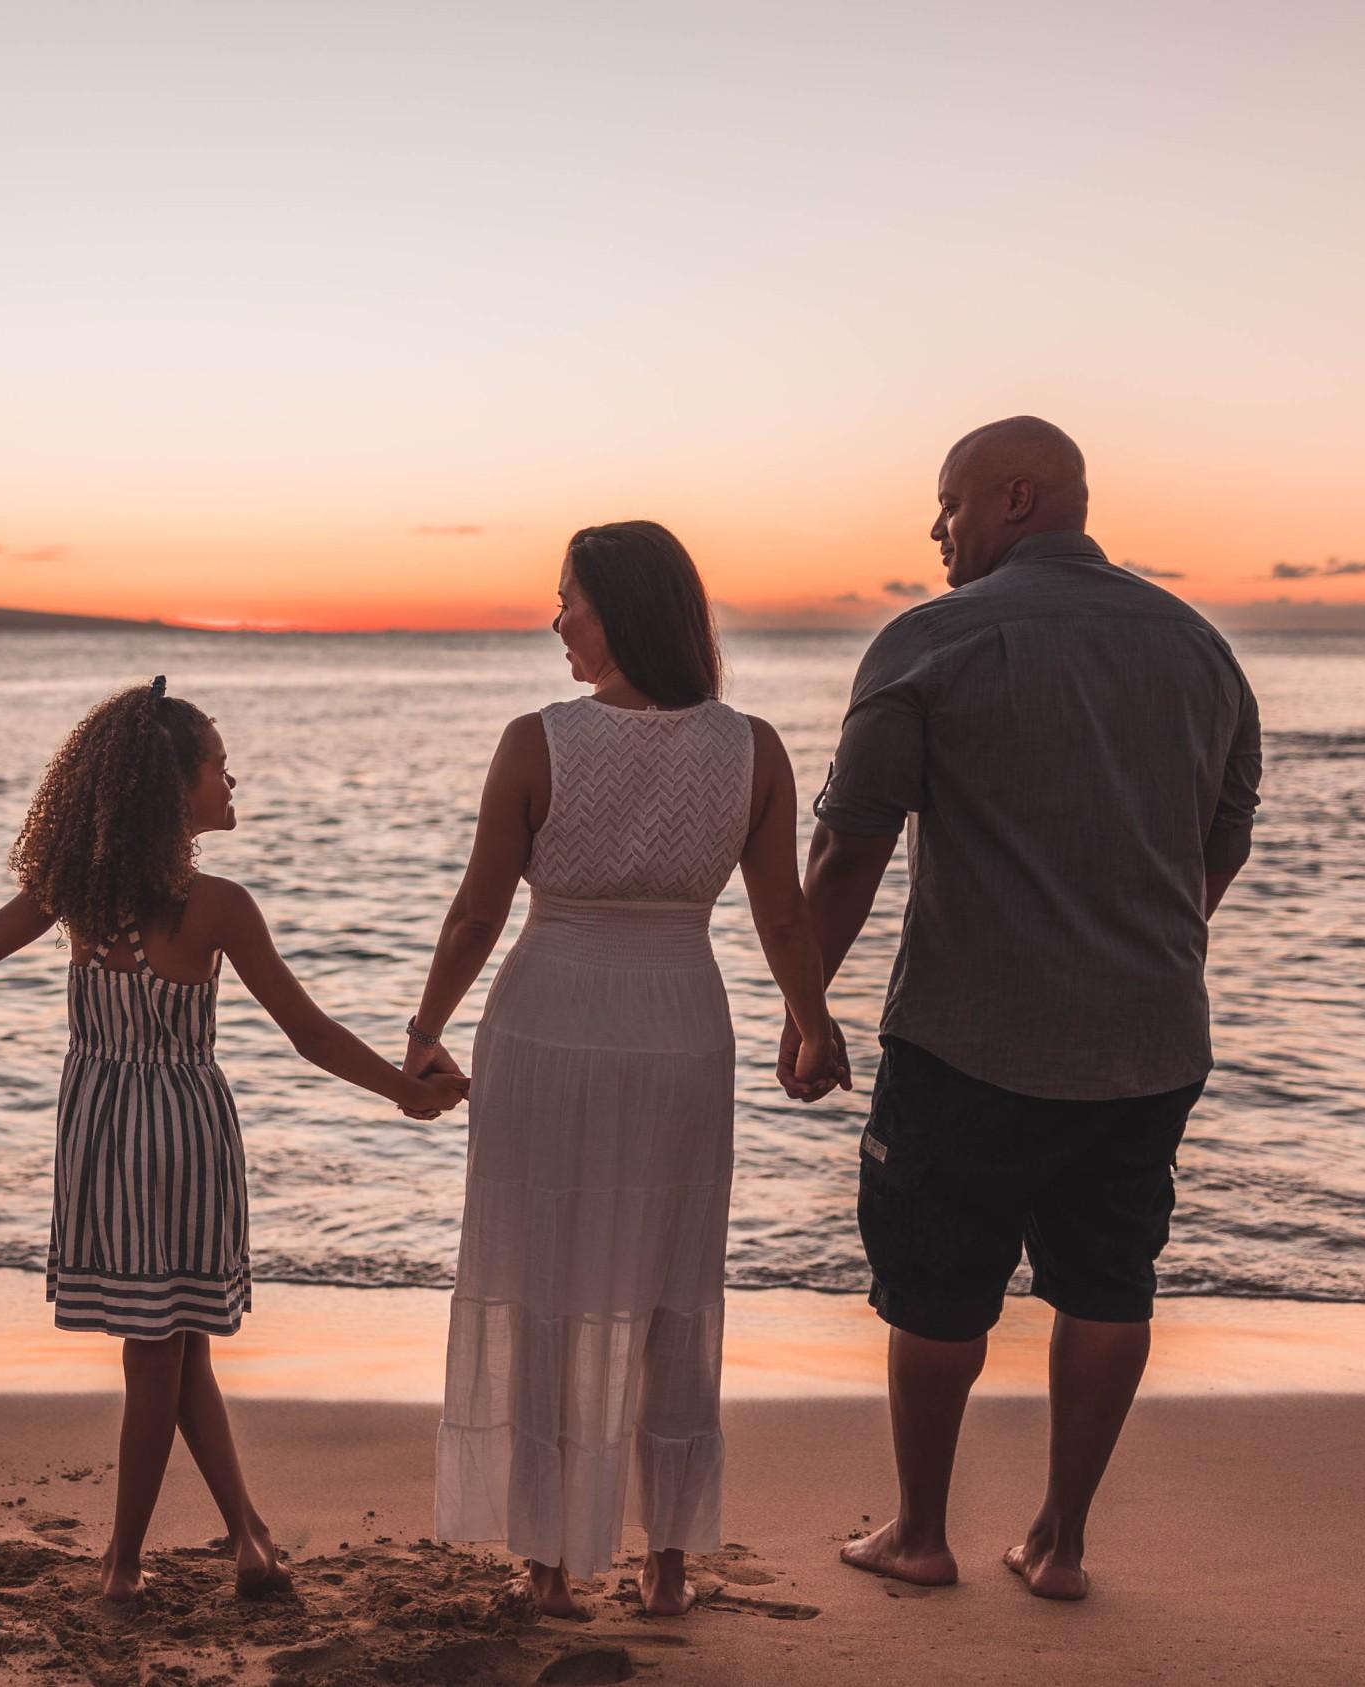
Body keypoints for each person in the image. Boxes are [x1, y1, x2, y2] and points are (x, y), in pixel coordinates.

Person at [0, 679, 468, 1606]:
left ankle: (216, 1543)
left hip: (103, 1131)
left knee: (167, 1348)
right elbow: (311, 1033)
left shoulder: (76, 893)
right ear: (175, 791)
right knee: (168, 1350)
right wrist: (402, 1093)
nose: (231, 776)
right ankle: (142, 1559)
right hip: (185, 1134)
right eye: (218, 763)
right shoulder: (218, 904)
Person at [791, 416, 1261, 1600]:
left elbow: (850, 848)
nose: (934, 530)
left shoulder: (931, 641)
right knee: (1110, 1281)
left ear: (1012, 498)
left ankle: (920, 1533)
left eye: (944, 504)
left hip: (969, 1036)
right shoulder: (1201, 647)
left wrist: (806, 1005)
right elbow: (1227, 834)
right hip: (1149, 1041)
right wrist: (1147, 947)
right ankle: (1060, 1542)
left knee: (939, 1283)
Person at [409, 521, 844, 1619]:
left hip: (547, 1016)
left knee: (549, 1282)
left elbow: (476, 913)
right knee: (669, 1288)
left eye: (568, 599)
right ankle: (667, 1564)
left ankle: (550, 1563)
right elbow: (782, 915)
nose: (555, 620)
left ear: (621, 609)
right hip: (680, 1026)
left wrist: (425, 1026)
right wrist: (812, 1022)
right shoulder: (752, 748)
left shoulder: (536, 740)